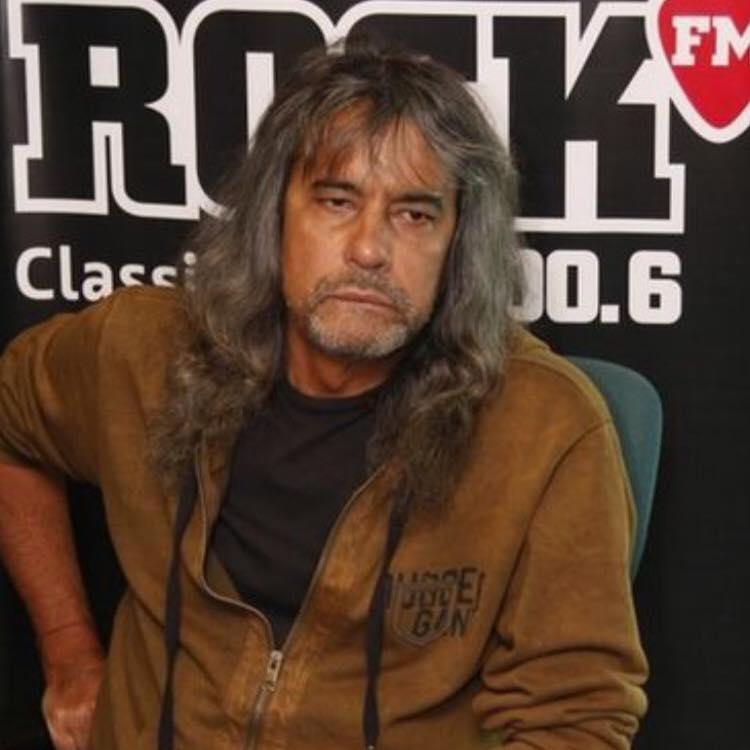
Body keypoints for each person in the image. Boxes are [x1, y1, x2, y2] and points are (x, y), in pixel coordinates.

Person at [0, 41, 647, 750]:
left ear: (458, 243)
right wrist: (68, 649)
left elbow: (573, 721)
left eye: (414, 214)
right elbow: (9, 422)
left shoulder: (546, 427)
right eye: (337, 201)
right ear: (272, 215)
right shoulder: (142, 349)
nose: (369, 250)